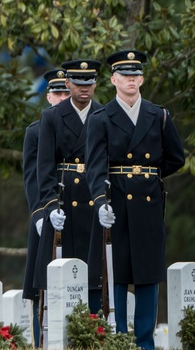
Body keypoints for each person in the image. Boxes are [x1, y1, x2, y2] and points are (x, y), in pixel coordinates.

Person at [86, 50, 185, 350]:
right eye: (125, 75)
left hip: (148, 204)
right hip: (116, 202)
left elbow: (175, 158)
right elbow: (95, 166)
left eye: (136, 75)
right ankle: (118, 339)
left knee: (147, 275)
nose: (131, 79)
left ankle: (145, 343)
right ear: (114, 80)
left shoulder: (158, 115)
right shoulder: (101, 118)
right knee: (116, 273)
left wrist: (148, 178)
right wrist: (101, 200)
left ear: (142, 79)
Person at [34, 59, 103, 311]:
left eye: (89, 82)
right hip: (65, 203)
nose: (84, 88)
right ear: (68, 83)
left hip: (95, 202)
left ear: (95, 84)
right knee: (61, 281)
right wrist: (51, 206)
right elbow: (45, 168)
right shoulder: (51, 117)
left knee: (96, 278)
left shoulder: (104, 114)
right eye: (77, 83)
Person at [21, 68, 70, 344]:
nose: (62, 98)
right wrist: (39, 213)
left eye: (66, 92)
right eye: (58, 93)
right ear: (49, 96)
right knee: (43, 284)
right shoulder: (37, 131)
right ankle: (43, 339)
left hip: (76, 211)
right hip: (47, 214)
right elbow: (32, 177)